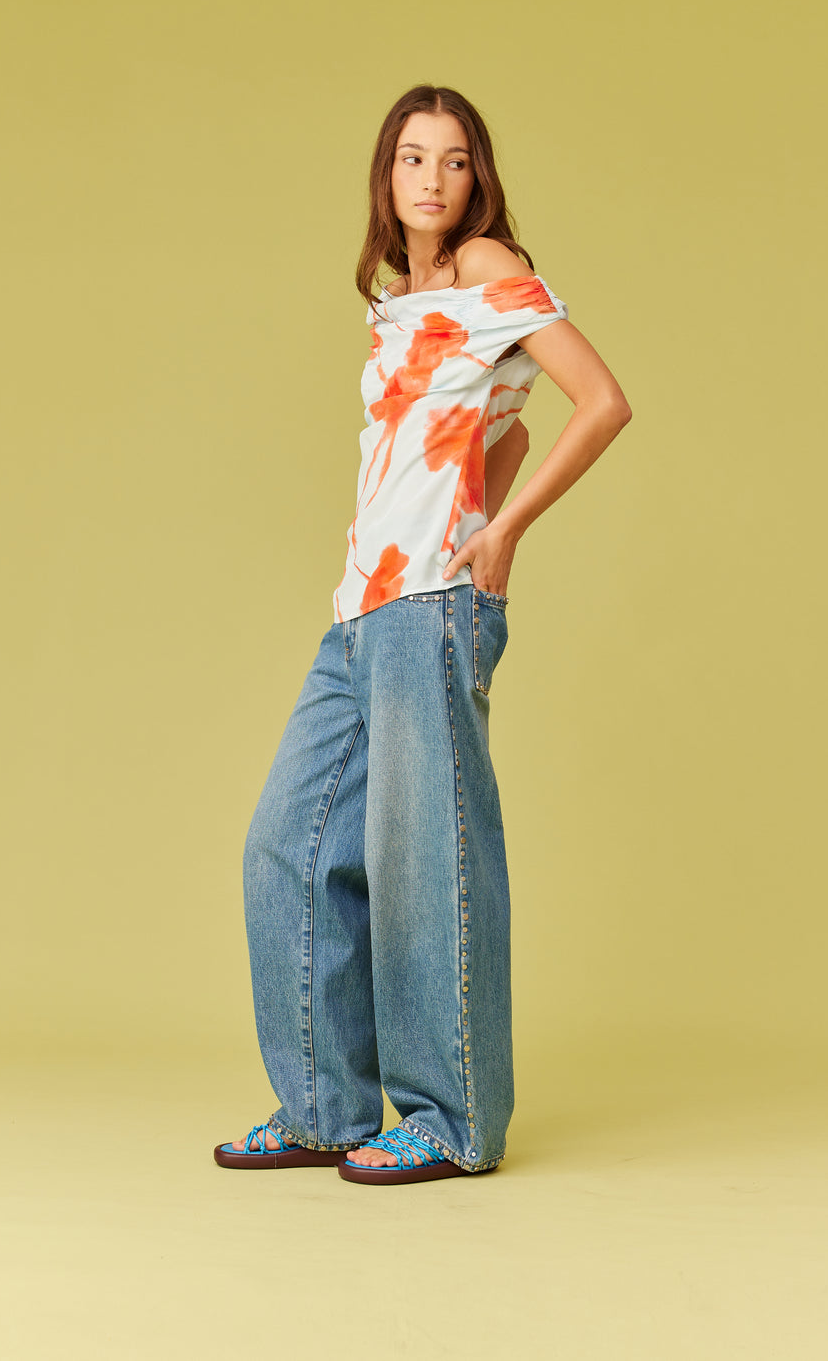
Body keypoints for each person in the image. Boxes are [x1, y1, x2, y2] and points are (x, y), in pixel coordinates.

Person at [214, 83, 632, 1184]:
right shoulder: (397, 299)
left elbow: (600, 400)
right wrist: (473, 501)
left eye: (453, 159)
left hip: (433, 603)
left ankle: (451, 1121)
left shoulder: (490, 267)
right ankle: (325, 1107)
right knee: (287, 847)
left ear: (476, 175)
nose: (432, 179)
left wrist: (503, 535)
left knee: (423, 862)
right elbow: (503, 425)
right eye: (412, 158)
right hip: (360, 608)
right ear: (386, 175)